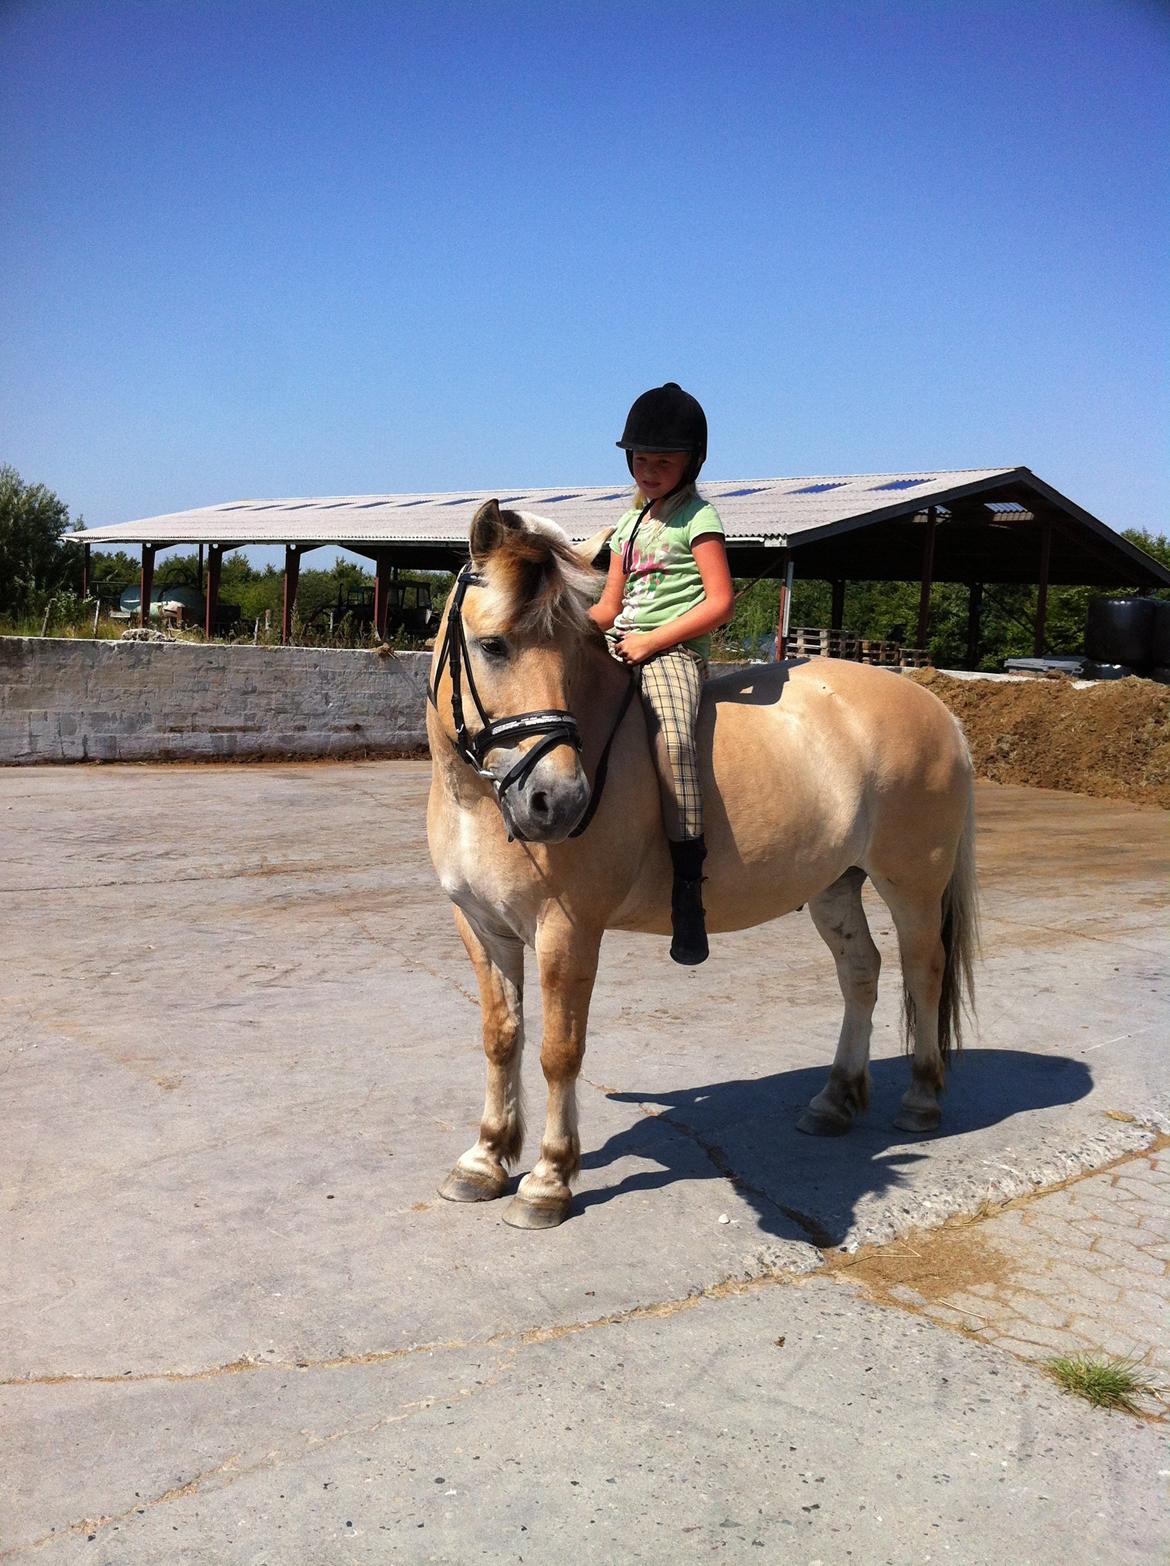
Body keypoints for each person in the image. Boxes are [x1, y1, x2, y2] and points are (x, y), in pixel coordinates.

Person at [588, 382, 734, 965]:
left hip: (670, 652)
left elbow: (720, 602)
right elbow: (608, 603)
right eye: (641, 460)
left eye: (663, 462)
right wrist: (576, 629)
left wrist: (652, 640)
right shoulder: (628, 525)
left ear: (689, 463)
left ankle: (687, 888)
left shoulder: (699, 517)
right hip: (619, 642)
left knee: (673, 741)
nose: (649, 471)